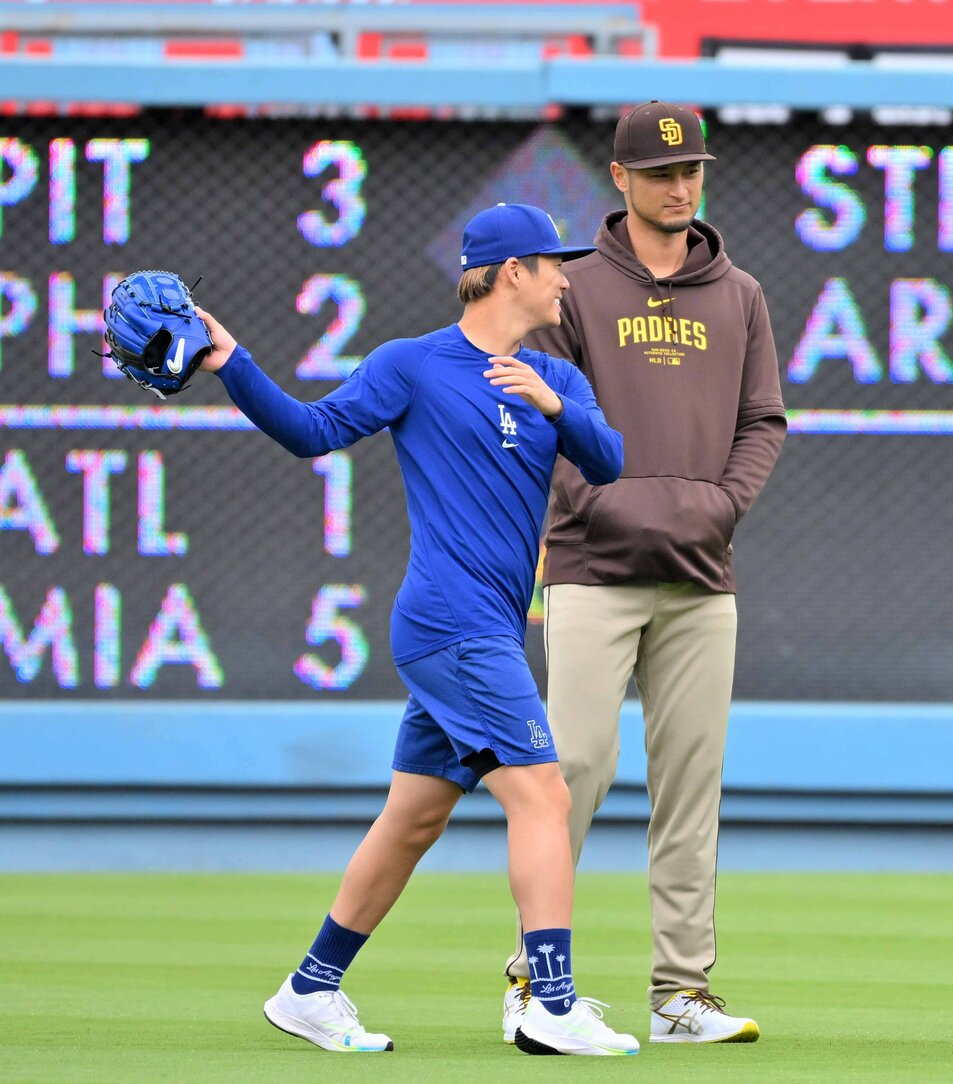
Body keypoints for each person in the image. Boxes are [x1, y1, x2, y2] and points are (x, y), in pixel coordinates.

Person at [198, 203, 640, 1056]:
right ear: (512, 272)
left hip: (486, 632)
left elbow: (609, 460)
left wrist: (553, 403)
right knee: (543, 794)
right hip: (451, 623)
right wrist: (233, 364)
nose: (566, 276)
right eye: (554, 263)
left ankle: (309, 990)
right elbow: (310, 431)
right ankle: (551, 1003)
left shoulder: (561, 376)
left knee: (413, 820)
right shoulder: (412, 364)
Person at [499, 101, 785, 1046]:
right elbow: (544, 418)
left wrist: (719, 506)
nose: (680, 185)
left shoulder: (739, 293)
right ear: (618, 180)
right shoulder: (570, 288)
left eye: (692, 170)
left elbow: (762, 423)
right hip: (591, 567)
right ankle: (533, 984)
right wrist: (616, 502)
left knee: (690, 788)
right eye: (661, 172)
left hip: (702, 576)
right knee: (569, 772)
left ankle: (681, 996)